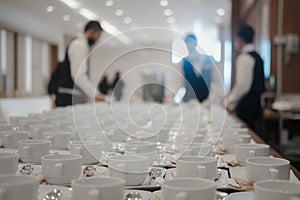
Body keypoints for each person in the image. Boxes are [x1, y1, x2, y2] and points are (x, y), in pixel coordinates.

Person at [226, 25, 265, 133]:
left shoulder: (244, 58)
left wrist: (229, 103)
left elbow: (242, 87)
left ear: (240, 39)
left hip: (247, 109)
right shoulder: (258, 57)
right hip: (256, 107)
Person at [55, 20, 105, 105]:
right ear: (91, 31)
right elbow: (78, 75)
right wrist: (96, 94)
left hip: (70, 95)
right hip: (70, 96)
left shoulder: (79, 44)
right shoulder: (79, 45)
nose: (97, 40)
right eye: (98, 35)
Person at [182, 34, 213, 103]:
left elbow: (215, 81)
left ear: (196, 42)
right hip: (188, 101)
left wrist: (212, 98)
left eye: (191, 43)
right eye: (187, 44)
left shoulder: (208, 60)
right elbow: (179, 82)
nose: (189, 46)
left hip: (206, 101)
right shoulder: (184, 62)